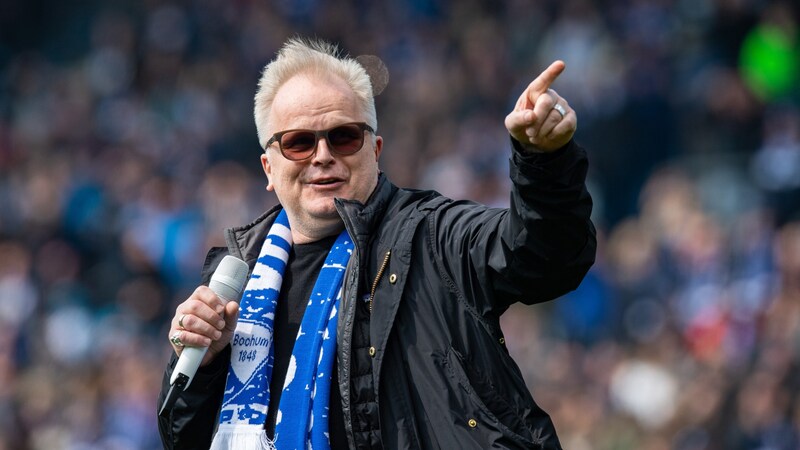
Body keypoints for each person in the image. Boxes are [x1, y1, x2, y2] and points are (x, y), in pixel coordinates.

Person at [158, 36, 596, 450]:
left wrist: (543, 161)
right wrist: (206, 364)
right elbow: (183, 437)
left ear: (376, 148)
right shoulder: (238, 280)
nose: (323, 155)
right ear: (268, 168)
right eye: (298, 143)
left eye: (344, 136)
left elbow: (545, 255)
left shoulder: (433, 236)